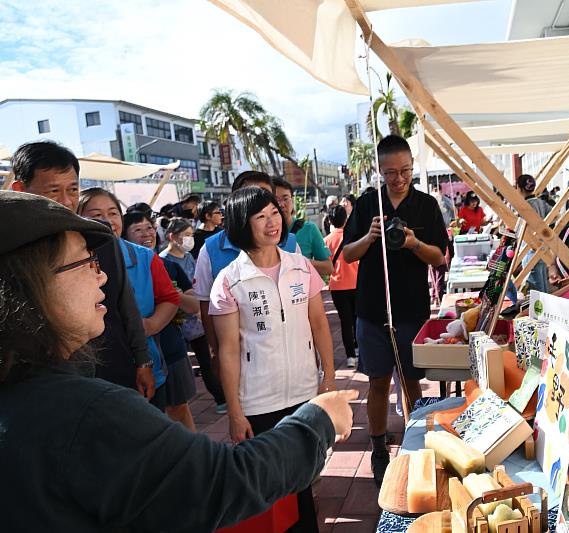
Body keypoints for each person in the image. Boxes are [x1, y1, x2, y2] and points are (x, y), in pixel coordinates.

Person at [0, 190, 357, 531]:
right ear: (30, 285)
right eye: (84, 262)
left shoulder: (28, 395)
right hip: (263, 399)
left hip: (303, 387)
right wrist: (317, 421)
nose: (102, 275)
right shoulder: (87, 412)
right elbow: (219, 484)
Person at [210, 187, 336, 533]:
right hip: (259, 401)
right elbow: (229, 350)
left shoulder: (300, 266)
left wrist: (328, 378)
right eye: (261, 216)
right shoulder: (229, 281)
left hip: (304, 393)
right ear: (241, 224)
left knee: (304, 481)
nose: (272, 222)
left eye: (275, 213)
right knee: (270, 488)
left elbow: (319, 323)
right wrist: (235, 412)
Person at [343, 134, 448, 487]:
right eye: (391, 173)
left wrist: (415, 242)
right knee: (377, 382)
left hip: (411, 308)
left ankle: (414, 446)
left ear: (412, 167)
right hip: (372, 309)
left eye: (405, 171)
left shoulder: (426, 205)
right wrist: (370, 236)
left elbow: (439, 257)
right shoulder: (366, 204)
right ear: (380, 170)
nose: (399, 179)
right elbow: (348, 254)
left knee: (411, 382)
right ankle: (377, 448)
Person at [10, 141, 155, 398]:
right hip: (49, 379)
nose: (66, 201)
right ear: (20, 189)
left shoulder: (100, 238)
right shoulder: (13, 252)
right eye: (54, 191)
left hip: (114, 362)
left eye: (73, 189)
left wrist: (143, 360)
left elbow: (125, 303)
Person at [78, 188, 179, 411]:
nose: (107, 221)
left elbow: (169, 298)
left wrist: (151, 325)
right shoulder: (76, 260)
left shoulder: (144, 257)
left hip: (145, 362)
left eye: (113, 213)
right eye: (96, 215)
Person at [194, 171, 299, 362]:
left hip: (290, 355)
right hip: (240, 359)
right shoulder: (210, 249)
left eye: (265, 196)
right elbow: (206, 306)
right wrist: (216, 353)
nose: (256, 202)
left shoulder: (291, 245)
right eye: (249, 195)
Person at [125, 212, 198, 430]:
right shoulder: (118, 269)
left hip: (171, 348)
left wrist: (170, 296)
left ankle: (194, 459)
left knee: (179, 409)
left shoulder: (168, 265)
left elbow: (194, 306)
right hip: (140, 356)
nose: (147, 234)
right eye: (138, 229)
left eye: (149, 228)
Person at [161, 218, 227, 413]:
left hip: (198, 312)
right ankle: (220, 398)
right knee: (205, 359)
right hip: (185, 319)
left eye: (191, 235)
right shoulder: (165, 260)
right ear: (172, 237)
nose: (190, 239)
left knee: (209, 354)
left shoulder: (187, 256)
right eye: (186, 235)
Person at [273, 178, 333, 277]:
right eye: (276, 200)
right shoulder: (261, 233)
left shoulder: (309, 229)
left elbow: (328, 267)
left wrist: (299, 261)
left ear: (292, 200)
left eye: (285, 198)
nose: (281, 204)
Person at [324, 205, 359, 369]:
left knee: (345, 322)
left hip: (337, 286)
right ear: (346, 219)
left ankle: (350, 356)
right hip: (356, 283)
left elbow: (326, 265)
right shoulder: (354, 237)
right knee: (357, 318)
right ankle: (359, 348)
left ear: (330, 220)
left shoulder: (327, 241)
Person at [516, 173, 552, 294]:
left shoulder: (523, 206)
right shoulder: (541, 202)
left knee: (536, 291)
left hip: (529, 249)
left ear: (519, 188)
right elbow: (556, 215)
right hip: (543, 247)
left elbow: (519, 228)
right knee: (544, 288)